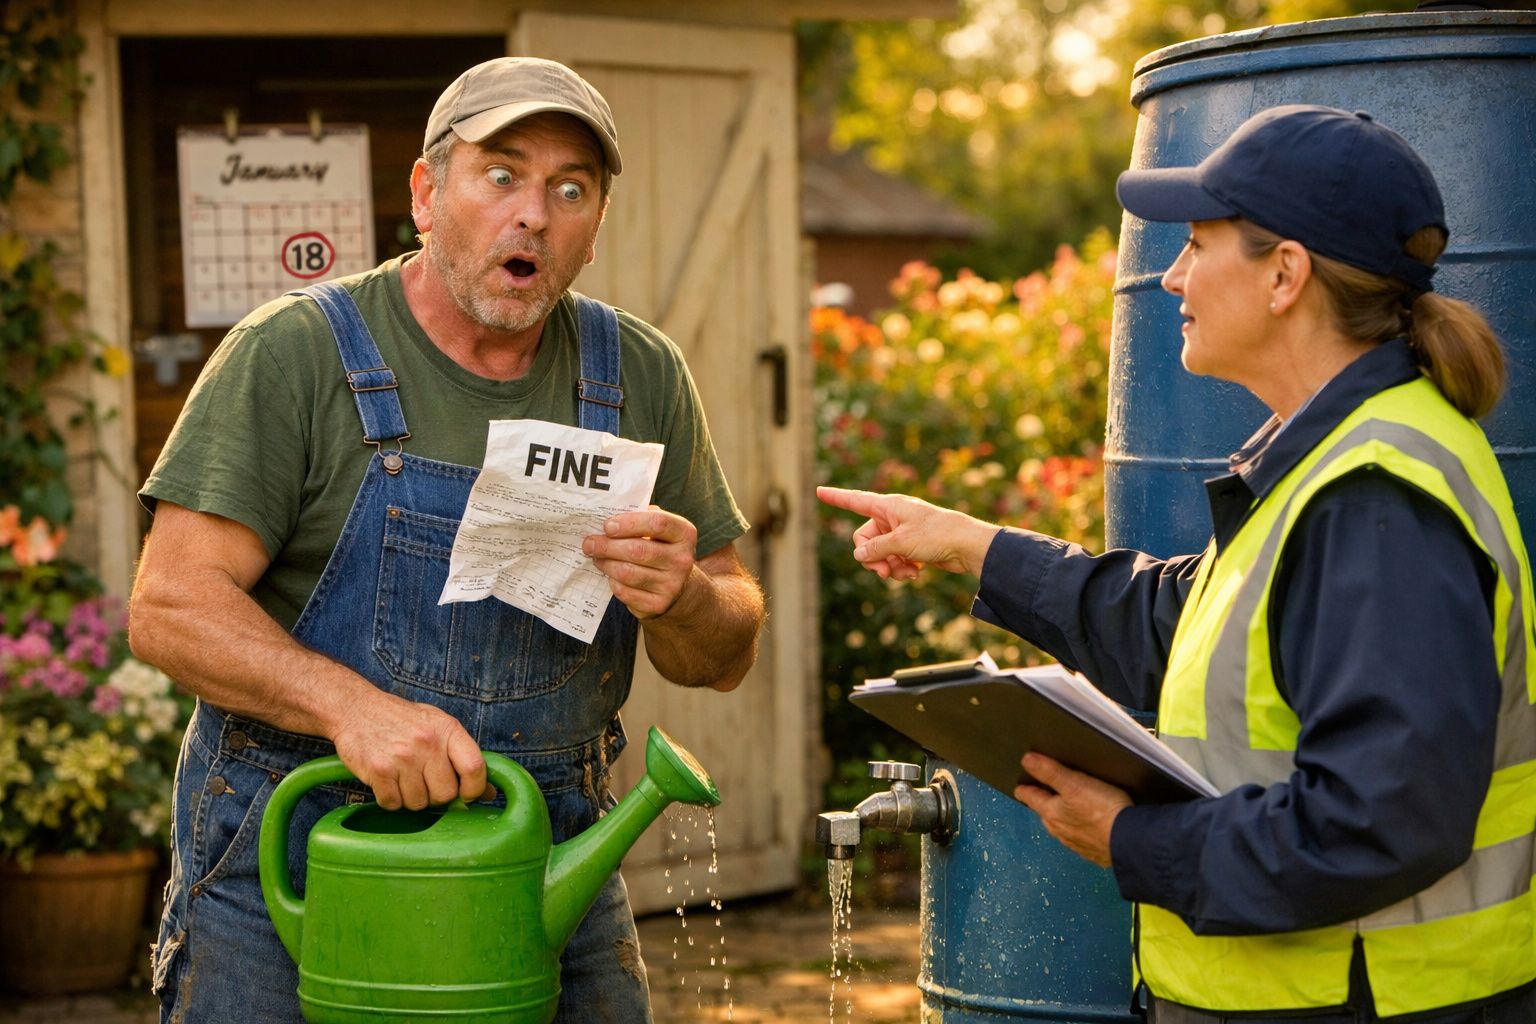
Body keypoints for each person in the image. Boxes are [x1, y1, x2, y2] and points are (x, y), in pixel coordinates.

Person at [820, 105, 1536, 1023]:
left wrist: (1132, 840)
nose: (1170, 274)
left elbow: (1377, 823)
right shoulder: (1332, 459)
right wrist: (970, 543)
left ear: (1285, 274)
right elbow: (1182, 622)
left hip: (1363, 1003)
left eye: (1199, 245)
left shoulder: (1372, 498)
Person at [130, 56, 765, 1024]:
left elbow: (724, 652)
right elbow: (170, 606)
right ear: (427, 193)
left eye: (571, 188)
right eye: (501, 174)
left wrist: (687, 598)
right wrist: (352, 709)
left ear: (594, 228)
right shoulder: (296, 351)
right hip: (299, 844)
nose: (535, 215)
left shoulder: (637, 372)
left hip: (540, 848)